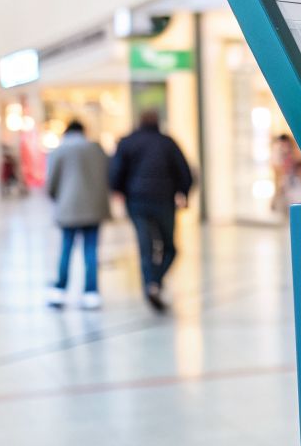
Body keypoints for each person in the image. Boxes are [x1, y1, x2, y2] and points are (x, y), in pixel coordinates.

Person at [110, 109, 192, 312]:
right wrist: (183, 193)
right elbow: (185, 171)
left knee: (145, 247)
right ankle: (155, 282)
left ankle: (151, 283)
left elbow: (115, 172)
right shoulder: (167, 143)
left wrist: (119, 191)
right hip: (163, 201)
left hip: (137, 201)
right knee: (170, 248)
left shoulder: (127, 142)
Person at [45, 120, 110, 310]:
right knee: (91, 250)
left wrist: (57, 197)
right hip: (93, 208)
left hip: (68, 208)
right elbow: (107, 175)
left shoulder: (59, 150)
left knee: (66, 249)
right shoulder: (96, 150)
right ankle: (91, 292)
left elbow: (51, 182)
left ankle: (60, 291)